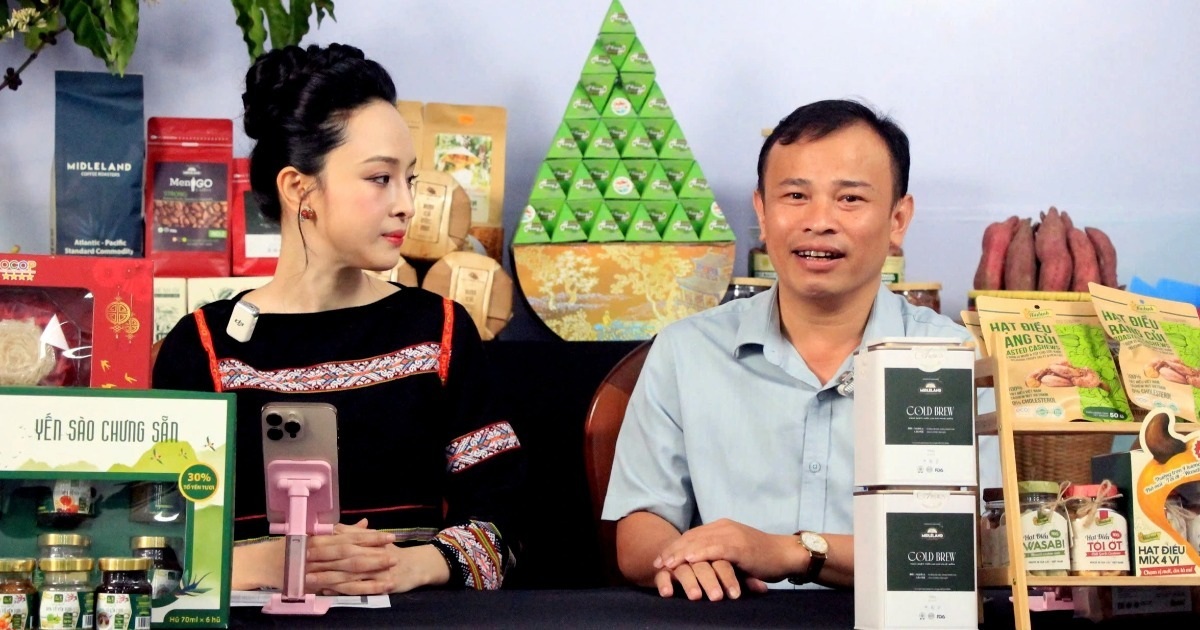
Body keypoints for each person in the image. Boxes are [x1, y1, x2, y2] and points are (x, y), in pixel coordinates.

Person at [153, 43, 522, 595]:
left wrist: (414, 565)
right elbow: (156, 546)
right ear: (298, 188)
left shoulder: (439, 330)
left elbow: (508, 520)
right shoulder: (203, 347)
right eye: (380, 178)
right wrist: (269, 564)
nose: (406, 204)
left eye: (410, 179)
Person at [602, 99, 982, 601]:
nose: (819, 221)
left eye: (849, 198)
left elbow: (979, 543)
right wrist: (686, 559)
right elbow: (639, 530)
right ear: (762, 211)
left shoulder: (955, 358)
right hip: (734, 619)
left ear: (898, 219)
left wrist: (792, 551)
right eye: (796, 195)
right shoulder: (686, 351)